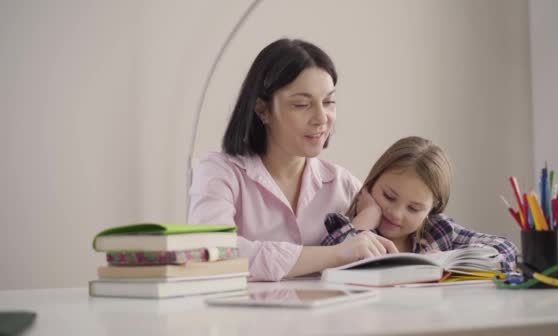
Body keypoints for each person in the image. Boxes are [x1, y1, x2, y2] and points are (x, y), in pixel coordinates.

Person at [188, 38, 398, 281]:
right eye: (301, 104)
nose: (321, 118)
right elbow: (214, 254)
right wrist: (336, 254)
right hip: (241, 318)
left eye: (329, 102)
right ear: (262, 110)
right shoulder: (220, 172)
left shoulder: (344, 186)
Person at [321, 136, 518, 272]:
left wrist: (451, 259)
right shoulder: (351, 228)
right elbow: (326, 260)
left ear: (432, 208)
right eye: (389, 196)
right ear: (373, 182)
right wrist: (364, 221)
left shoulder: (438, 230)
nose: (396, 214)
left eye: (414, 208)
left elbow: (507, 249)